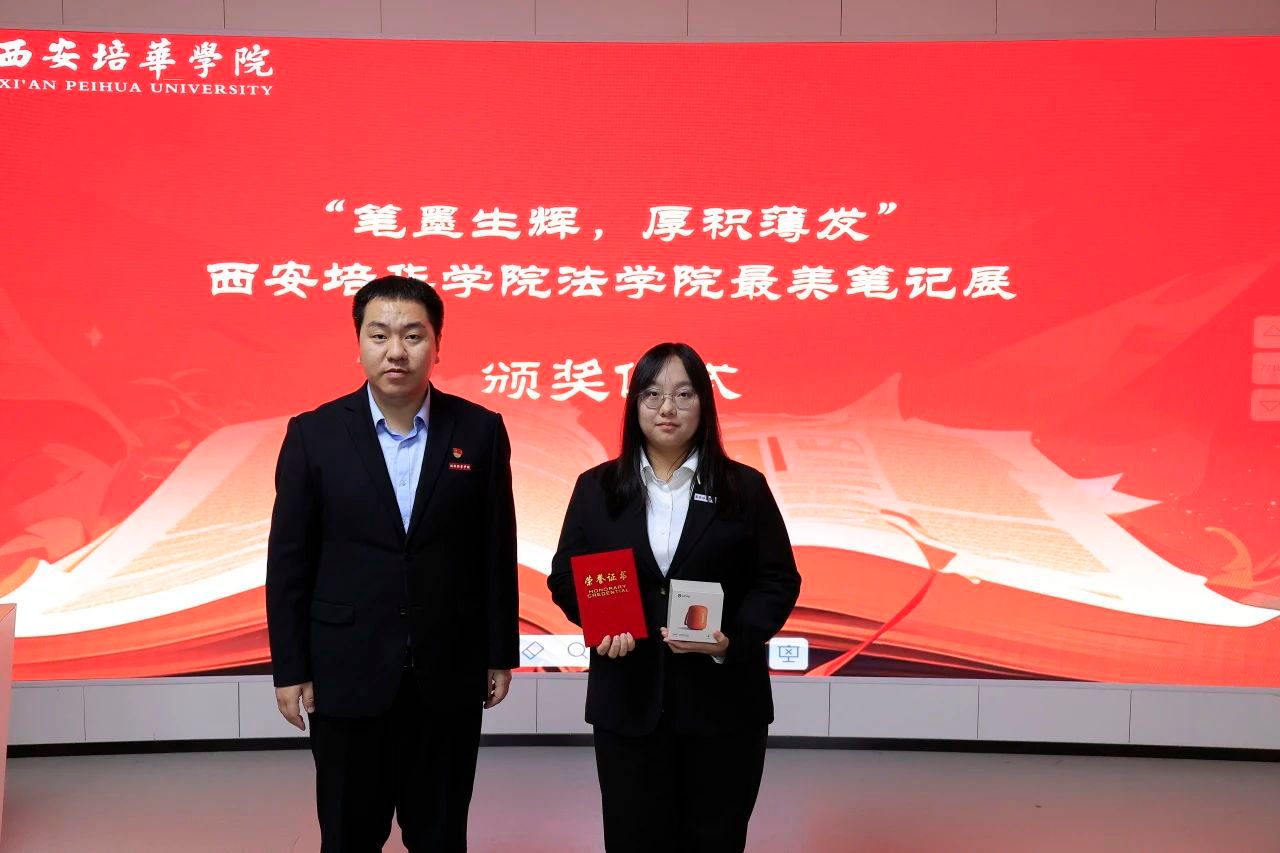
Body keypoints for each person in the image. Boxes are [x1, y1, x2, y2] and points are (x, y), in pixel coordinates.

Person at [266, 275, 518, 853]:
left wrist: (499, 651)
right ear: (358, 344)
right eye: (379, 335)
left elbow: (495, 549)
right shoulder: (313, 435)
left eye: (413, 335)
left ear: (437, 345)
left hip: (447, 672)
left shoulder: (480, 431)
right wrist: (290, 667)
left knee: (440, 834)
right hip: (345, 673)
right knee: (349, 834)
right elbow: (289, 562)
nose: (396, 351)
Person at [548, 342, 801, 853]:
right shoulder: (596, 488)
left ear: (705, 402)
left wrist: (732, 640)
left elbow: (777, 580)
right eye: (652, 394)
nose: (667, 408)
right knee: (633, 839)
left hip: (724, 708)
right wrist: (601, 623)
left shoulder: (744, 488)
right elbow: (565, 577)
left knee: (716, 839)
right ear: (634, 405)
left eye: (684, 394)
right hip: (628, 702)